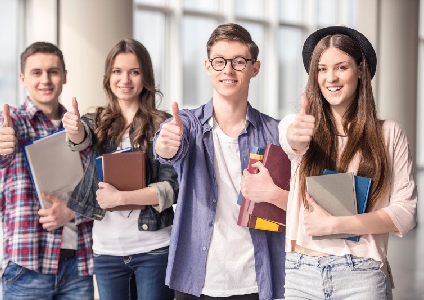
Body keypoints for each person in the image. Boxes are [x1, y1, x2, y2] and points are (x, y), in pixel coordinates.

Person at [278, 26, 417, 299]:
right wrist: (297, 135)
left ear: (361, 70)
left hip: (362, 275)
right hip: (301, 273)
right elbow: (291, 140)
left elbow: (406, 213)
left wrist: (338, 225)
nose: (331, 78)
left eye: (341, 67)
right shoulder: (297, 126)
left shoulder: (389, 134)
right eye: (321, 69)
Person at [154, 23, 287, 300]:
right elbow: (169, 146)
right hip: (198, 279)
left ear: (255, 68)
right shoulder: (187, 125)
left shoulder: (275, 133)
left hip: (256, 279)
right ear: (207, 67)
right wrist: (166, 145)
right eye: (219, 61)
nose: (228, 70)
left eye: (238, 61)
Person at [62, 38, 178, 300]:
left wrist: (121, 199)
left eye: (134, 72)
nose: (125, 79)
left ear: (145, 77)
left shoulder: (162, 125)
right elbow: (80, 139)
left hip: (154, 249)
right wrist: (75, 130)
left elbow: (171, 189)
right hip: (107, 254)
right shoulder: (96, 121)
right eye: (117, 71)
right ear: (108, 77)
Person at [0, 42, 94, 299]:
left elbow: (96, 191)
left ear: (65, 75)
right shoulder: (13, 122)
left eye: (53, 71)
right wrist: (1, 145)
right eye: (36, 72)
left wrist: (71, 211)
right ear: (23, 78)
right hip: (27, 267)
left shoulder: (79, 129)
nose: (45, 80)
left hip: (78, 268)